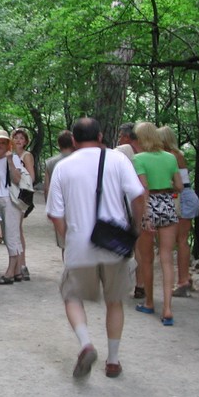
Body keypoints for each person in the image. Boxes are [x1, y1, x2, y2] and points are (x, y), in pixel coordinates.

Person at [46, 117, 145, 379]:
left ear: (74, 140)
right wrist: (136, 227)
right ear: (100, 137)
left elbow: (55, 213)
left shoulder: (63, 167)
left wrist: (69, 237)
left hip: (80, 244)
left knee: (72, 296)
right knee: (114, 301)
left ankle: (86, 344)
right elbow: (138, 195)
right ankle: (113, 361)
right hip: (114, 242)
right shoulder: (118, 159)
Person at [133, 122, 183, 326]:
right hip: (167, 204)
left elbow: (142, 188)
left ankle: (149, 302)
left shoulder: (138, 159)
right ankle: (168, 309)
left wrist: (145, 216)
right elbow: (179, 185)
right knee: (166, 259)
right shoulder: (171, 157)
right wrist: (167, 189)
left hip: (148, 207)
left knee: (146, 259)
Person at [157, 125, 199, 297]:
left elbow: (172, 182)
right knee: (179, 239)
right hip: (181, 197)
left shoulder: (173, 156)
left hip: (182, 197)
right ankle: (186, 278)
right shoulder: (175, 155)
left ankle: (183, 282)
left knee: (181, 240)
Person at [0, 130, 24, 284]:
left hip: (10, 201)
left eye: (3, 142)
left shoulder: (14, 158)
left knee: (11, 235)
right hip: (0, 200)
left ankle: (10, 273)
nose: (0, 145)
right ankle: (17, 271)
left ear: (8, 144)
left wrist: (10, 160)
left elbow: (17, 179)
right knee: (9, 233)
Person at [114, 122, 145, 299]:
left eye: (121, 136)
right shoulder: (147, 152)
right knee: (140, 245)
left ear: (127, 137)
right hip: (142, 203)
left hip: (124, 203)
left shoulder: (122, 151)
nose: (119, 139)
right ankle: (140, 285)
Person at [44, 130, 74, 255]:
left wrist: (49, 207)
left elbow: (47, 188)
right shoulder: (78, 159)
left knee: (64, 243)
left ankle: (66, 265)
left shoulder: (51, 162)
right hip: (76, 204)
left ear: (59, 144)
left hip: (59, 206)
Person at [11, 128, 35, 281]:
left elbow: (31, 176)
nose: (18, 140)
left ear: (26, 141)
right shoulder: (11, 156)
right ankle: (18, 265)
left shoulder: (26, 156)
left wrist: (20, 180)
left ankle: (22, 265)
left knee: (18, 229)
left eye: (21, 138)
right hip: (13, 194)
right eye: (16, 137)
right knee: (16, 229)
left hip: (21, 196)